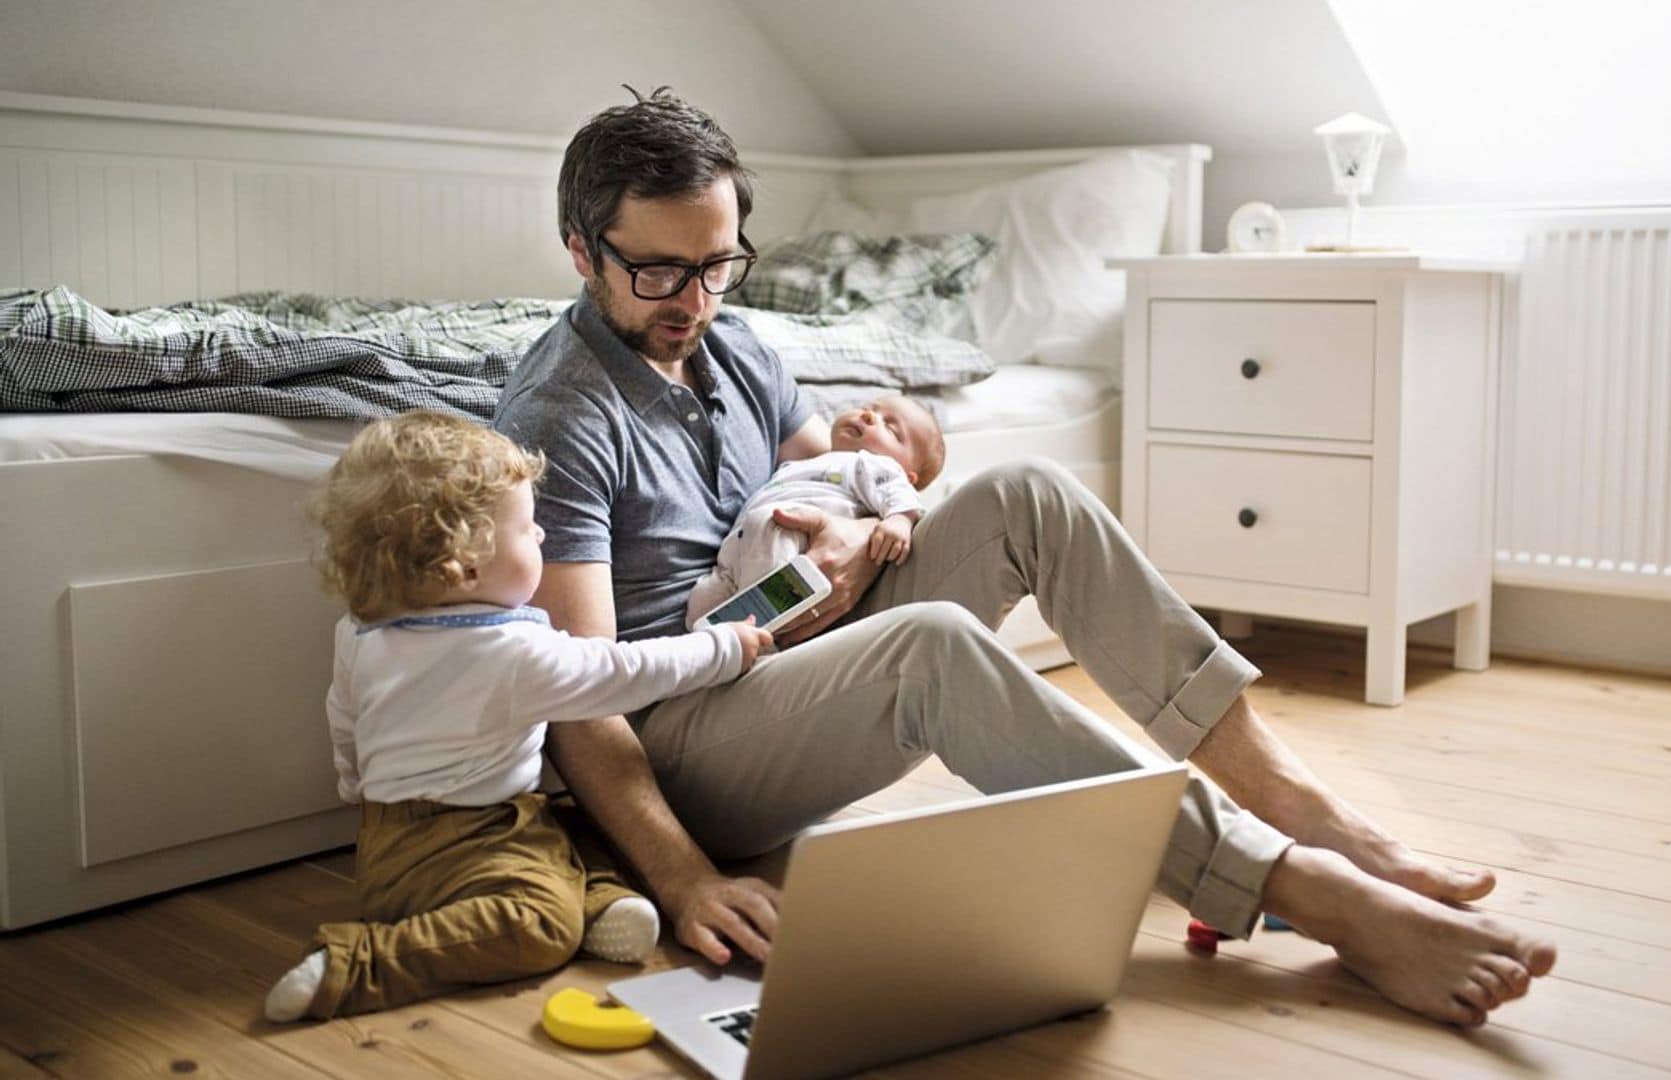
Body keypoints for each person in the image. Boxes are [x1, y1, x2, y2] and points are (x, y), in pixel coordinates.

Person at [494, 87, 1555, 1028]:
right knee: (931, 644)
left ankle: (1306, 814)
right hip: (681, 741)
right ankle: (1308, 893)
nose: (693, 299)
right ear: (583, 253)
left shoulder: (734, 344)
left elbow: (830, 479)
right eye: (658, 271)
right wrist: (683, 881)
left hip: (785, 654)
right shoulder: (562, 415)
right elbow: (582, 698)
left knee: (1027, 492)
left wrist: (871, 528)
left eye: (718, 264)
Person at [264, 411, 772, 1022]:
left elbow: (344, 717)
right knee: (538, 924)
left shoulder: (362, 631)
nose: (542, 539)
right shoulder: (509, 653)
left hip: (389, 834)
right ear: (467, 563)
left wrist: (355, 784)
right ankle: (359, 962)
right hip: (459, 847)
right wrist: (726, 649)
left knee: (576, 822)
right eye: (529, 529)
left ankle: (600, 901)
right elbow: (624, 672)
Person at [686, 394, 943, 627]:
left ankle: (761, 640)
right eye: (867, 407)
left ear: (907, 472)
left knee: (768, 536)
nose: (868, 416)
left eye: (890, 427)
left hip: (793, 538)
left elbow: (897, 491)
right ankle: (718, 643)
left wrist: (901, 518)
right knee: (700, 605)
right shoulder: (810, 462)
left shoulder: (872, 465)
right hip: (739, 552)